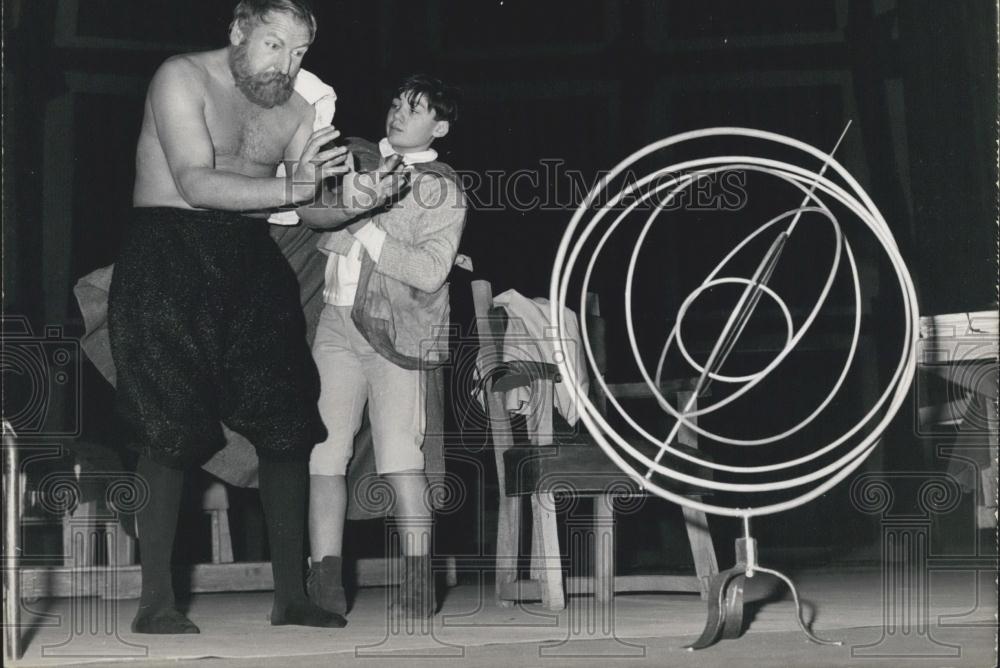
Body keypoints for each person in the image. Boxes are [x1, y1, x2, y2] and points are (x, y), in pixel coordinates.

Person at [108, 0, 397, 634]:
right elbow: (196, 183)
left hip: (249, 255)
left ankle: (291, 595)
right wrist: (300, 190)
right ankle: (157, 601)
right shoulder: (181, 76)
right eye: (273, 45)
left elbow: (311, 209)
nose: (286, 65)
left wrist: (354, 205)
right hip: (167, 249)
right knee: (171, 421)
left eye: (298, 54)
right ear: (239, 30)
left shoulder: (295, 112)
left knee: (288, 419)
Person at [299, 74, 466, 620]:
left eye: (415, 109)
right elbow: (317, 228)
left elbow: (431, 270)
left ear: (438, 126)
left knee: (400, 455)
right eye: (396, 102)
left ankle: (419, 585)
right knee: (323, 453)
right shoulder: (358, 162)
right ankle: (324, 583)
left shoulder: (442, 187)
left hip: (398, 336)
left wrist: (366, 223)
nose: (399, 113)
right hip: (334, 325)